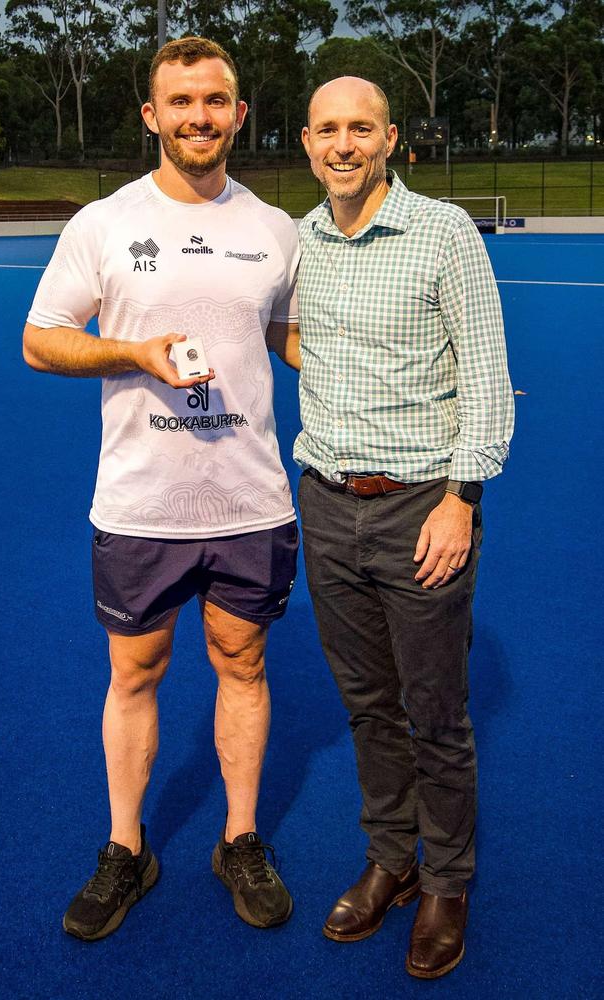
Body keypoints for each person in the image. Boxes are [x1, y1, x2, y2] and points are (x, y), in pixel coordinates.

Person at [23, 36, 301, 941]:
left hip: (250, 501)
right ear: (152, 115)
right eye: (180, 103)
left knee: (243, 664)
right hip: (141, 503)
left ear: (239, 113)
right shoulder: (103, 224)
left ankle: (241, 838)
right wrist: (131, 351)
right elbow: (42, 339)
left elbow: (295, 343)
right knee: (134, 670)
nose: (198, 117)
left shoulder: (275, 230)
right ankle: (125, 848)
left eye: (214, 101)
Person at [294, 77, 514, 978]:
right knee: (367, 707)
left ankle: (447, 883)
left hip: (423, 510)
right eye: (327, 131)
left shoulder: (444, 233)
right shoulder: (299, 239)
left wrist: (462, 500)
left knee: (435, 713)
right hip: (325, 502)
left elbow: (490, 380)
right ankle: (391, 860)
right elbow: (287, 334)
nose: (343, 145)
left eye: (361, 129)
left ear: (389, 139)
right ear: (306, 141)